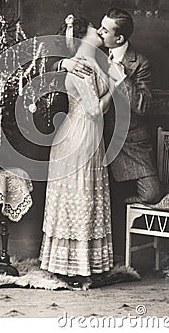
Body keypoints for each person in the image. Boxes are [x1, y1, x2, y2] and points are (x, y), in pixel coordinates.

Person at [59, 8, 164, 204]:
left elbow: (143, 106)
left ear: (119, 38)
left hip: (129, 144)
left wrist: (122, 78)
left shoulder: (140, 63)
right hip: (96, 139)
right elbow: (65, 54)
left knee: (152, 194)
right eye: (99, 26)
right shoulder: (93, 52)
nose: (99, 31)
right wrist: (65, 63)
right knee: (96, 199)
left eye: (105, 30)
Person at [39, 15, 114, 289]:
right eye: (96, 27)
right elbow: (95, 110)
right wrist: (115, 86)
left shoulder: (94, 62)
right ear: (84, 35)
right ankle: (75, 268)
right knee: (80, 196)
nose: (100, 30)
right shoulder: (81, 66)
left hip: (88, 136)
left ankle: (85, 266)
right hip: (79, 135)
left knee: (87, 196)